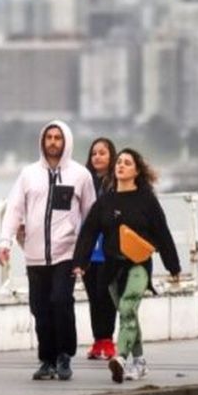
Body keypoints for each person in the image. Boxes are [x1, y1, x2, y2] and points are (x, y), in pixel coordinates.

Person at [0, 120, 96, 381]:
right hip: (35, 255)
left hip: (67, 253)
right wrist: (5, 242)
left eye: (58, 138)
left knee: (61, 301)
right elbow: (14, 208)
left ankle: (65, 356)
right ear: (43, 141)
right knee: (39, 307)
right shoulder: (28, 174)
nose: (53, 142)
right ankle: (47, 360)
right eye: (49, 137)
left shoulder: (80, 175)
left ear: (66, 142)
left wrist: (86, 254)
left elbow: (91, 215)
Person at [72, 148, 181, 384]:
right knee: (126, 313)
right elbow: (89, 232)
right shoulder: (105, 202)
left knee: (128, 307)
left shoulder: (146, 200)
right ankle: (139, 362)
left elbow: (162, 232)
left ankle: (120, 358)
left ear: (137, 170)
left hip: (139, 266)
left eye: (127, 163)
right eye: (119, 162)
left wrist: (173, 266)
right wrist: (80, 262)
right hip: (112, 268)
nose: (121, 166)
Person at [82, 137, 118, 361]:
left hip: (109, 250)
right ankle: (97, 341)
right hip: (89, 251)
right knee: (93, 296)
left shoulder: (116, 183)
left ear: (111, 156)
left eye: (102, 153)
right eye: (94, 153)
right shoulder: (85, 181)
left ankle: (108, 341)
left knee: (107, 296)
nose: (97, 157)